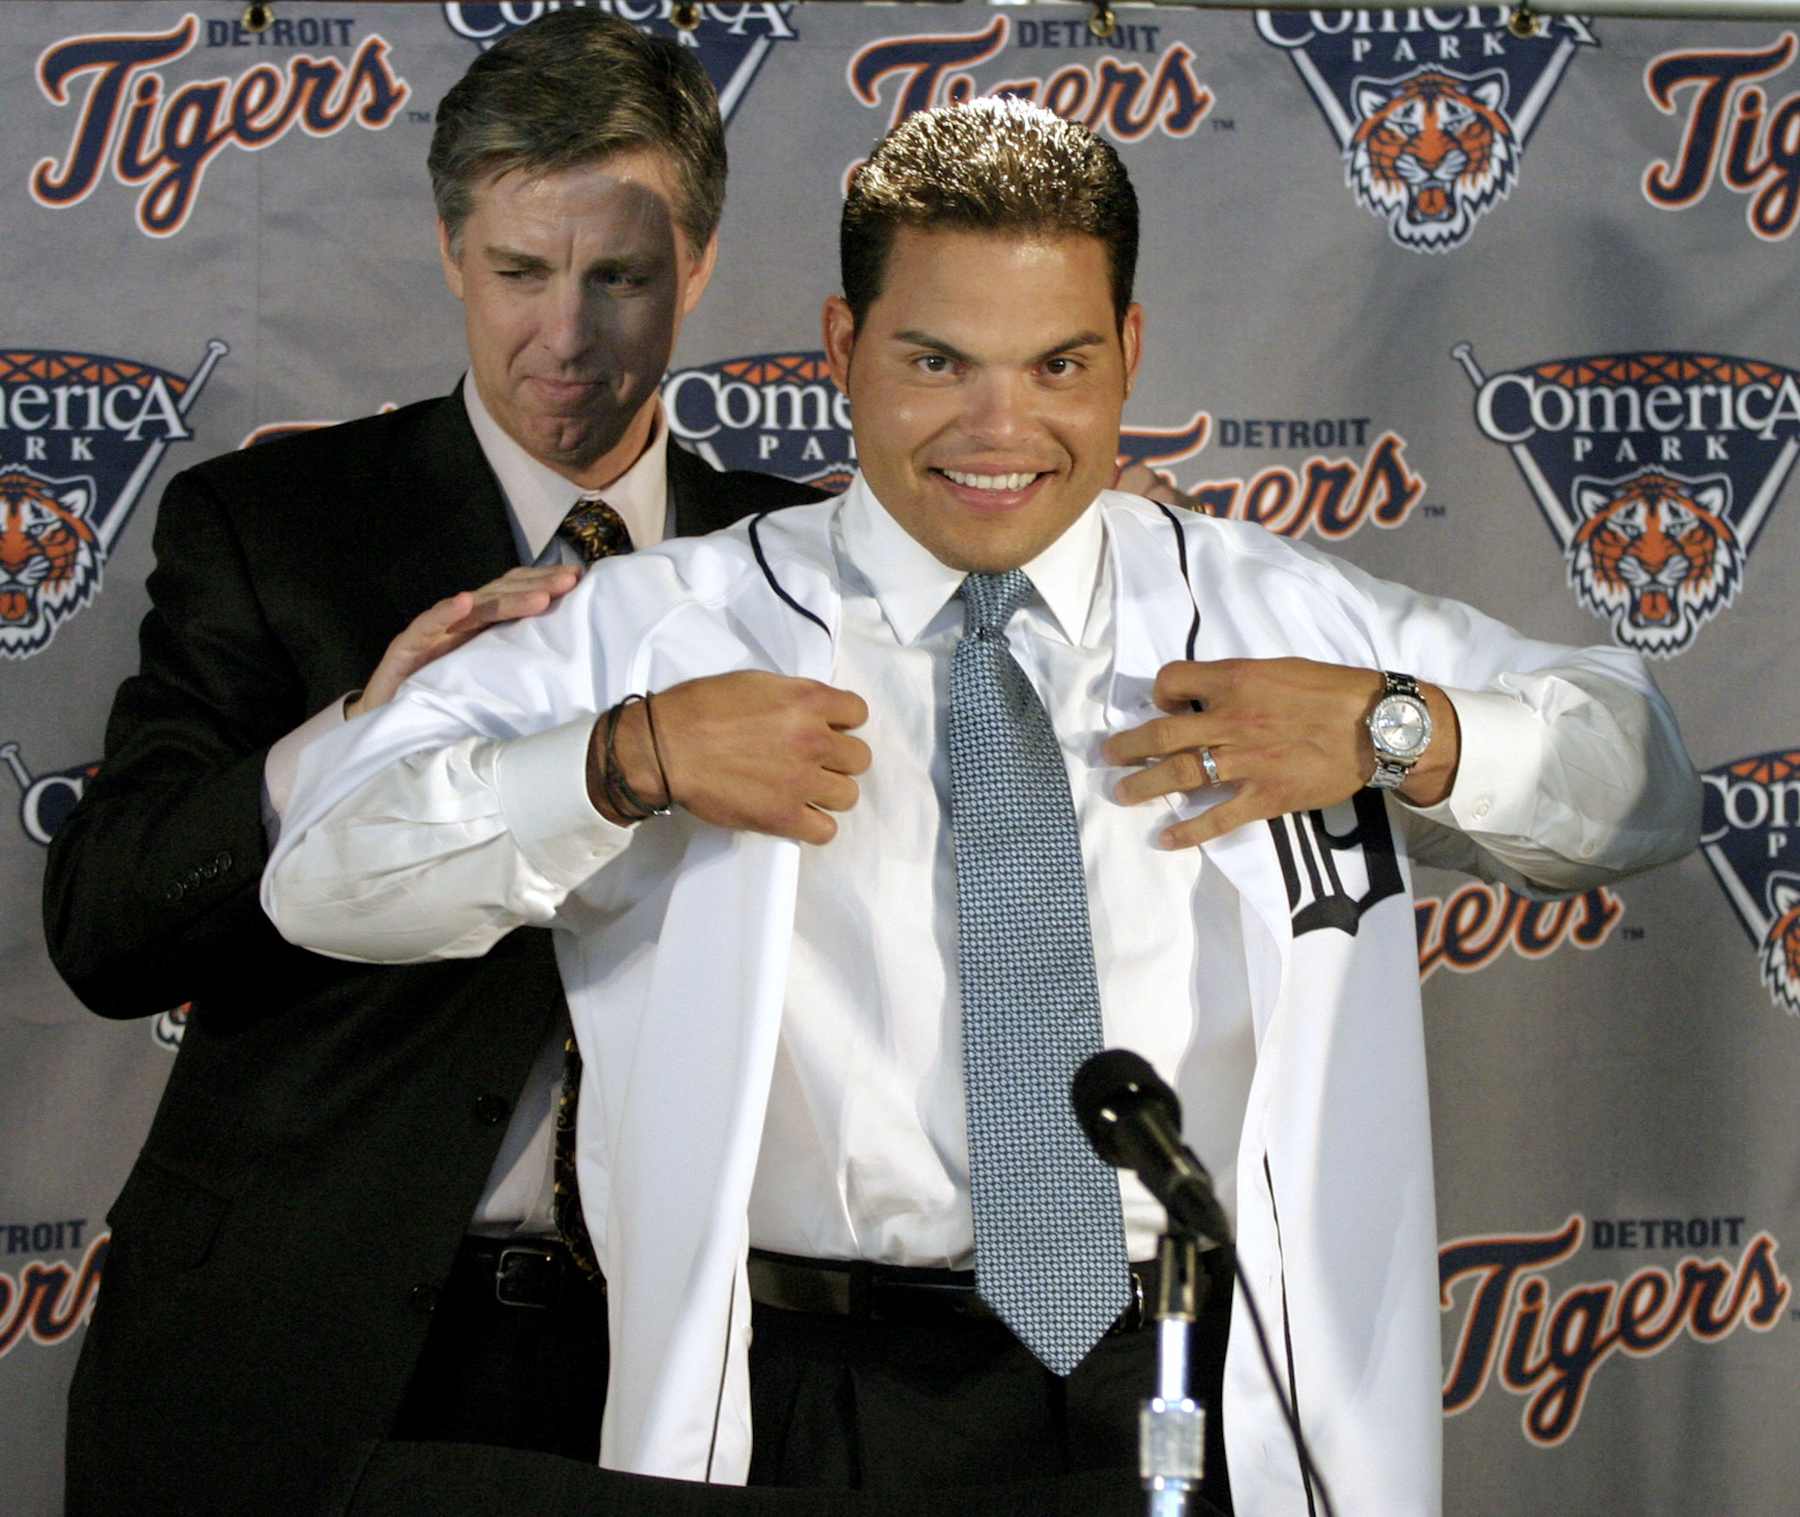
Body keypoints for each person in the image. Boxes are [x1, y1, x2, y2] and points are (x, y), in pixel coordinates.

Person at [263, 99, 1701, 1515]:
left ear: (1130, 354)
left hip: (1189, 1383)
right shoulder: (672, 630)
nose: (1001, 429)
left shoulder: (1281, 614)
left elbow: (1643, 773)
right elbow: (320, 864)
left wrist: (1401, 729)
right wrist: (621, 760)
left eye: (1060, 363)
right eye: (938, 361)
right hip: (806, 1397)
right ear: (844, 349)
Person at [41, 12, 822, 1513]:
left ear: (703, 260)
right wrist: (340, 744)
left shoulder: (807, 563)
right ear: (452, 249)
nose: (568, 336)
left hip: (674, 1369)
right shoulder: (275, 527)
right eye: (522, 273)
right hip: (284, 1348)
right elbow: (106, 925)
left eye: (622, 277)